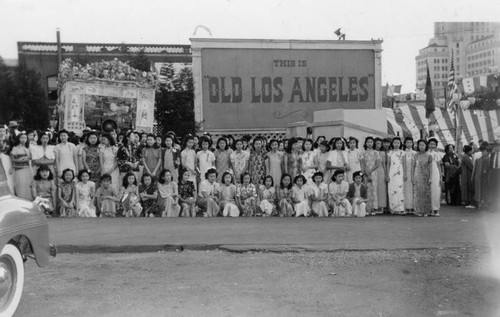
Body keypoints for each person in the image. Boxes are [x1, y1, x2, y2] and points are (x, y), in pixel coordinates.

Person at [412, 139, 433, 216]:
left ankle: (426, 211)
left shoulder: (429, 156)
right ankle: (419, 211)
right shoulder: (415, 155)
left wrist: (430, 177)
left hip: (426, 176)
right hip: (417, 176)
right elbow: (413, 166)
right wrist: (412, 177)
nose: (421, 147)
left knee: (426, 193)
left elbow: (431, 168)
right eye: (420, 145)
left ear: (426, 146)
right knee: (418, 193)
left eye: (423, 145)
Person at [10, 133, 33, 200]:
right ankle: (20, 198)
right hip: (19, 169)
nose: (23, 139)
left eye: (25, 138)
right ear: (19, 139)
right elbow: (12, 158)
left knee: (28, 183)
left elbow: (31, 157)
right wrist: (18, 160)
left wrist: (26, 158)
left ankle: (28, 198)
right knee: (20, 183)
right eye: (22, 138)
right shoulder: (15, 148)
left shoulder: (28, 148)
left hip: (27, 168)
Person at [360, 136, 379, 214]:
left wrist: (370, 171)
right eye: (368, 142)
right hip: (365, 173)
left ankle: (373, 208)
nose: (369, 143)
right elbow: (362, 164)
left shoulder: (376, 152)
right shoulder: (362, 152)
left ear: (373, 143)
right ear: (365, 143)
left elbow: (377, 164)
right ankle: (366, 208)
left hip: (374, 173)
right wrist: (365, 172)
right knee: (366, 190)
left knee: (374, 190)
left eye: (371, 142)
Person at [387, 137, 405, 214]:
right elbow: (388, 164)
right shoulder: (389, 153)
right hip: (391, 173)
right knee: (391, 190)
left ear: (400, 144)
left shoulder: (403, 153)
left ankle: (400, 208)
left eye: (398, 143)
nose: (396, 144)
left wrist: (405, 174)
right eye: (395, 143)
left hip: (400, 174)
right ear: (392, 144)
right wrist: (387, 175)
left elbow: (404, 164)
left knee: (400, 190)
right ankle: (393, 209)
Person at [472, 143, 491, 209]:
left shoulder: (489, 160)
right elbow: (474, 170)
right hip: (479, 178)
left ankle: (484, 203)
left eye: (485, 151)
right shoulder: (478, 160)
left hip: (486, 178)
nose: (483, 152)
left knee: (485, 191)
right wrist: (473, 178)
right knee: (479, 191)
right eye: (482, 151)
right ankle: (479, 203)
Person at [427, 138, 442, 216]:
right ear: (428, 144)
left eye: (434, 144)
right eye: (431, 144)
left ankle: (436, 210)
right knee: (428, 191)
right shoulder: (425, 153)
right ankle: (429, 209)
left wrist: (440, 177)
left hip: (435, 174)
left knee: (436, 191)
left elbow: (439, 166)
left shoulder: (437, 154)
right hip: (426, 174)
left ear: (436, 145)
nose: (432, 145)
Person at [374, 138, 388, 214]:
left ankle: (381, 207)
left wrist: (386, 174)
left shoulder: (382, 153)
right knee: (374, 189)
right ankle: (375, 207)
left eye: (379, 144)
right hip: (373, 171)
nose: (378, 145)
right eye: (376, 143)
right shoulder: (372, 152)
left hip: (381, 171)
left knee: (381, 189)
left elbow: (384, 165)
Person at [402, 137, 416, 214]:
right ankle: (406, 207)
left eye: (410, 142)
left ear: (412, 143)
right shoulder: (402, 153)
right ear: (404, 143)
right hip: (405, 173)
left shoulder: (415, 153)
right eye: (407, 142)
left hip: (413, 173)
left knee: (412, 190)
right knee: (405, 190)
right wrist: (404, 174)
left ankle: (413, 207)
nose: (409, 144)